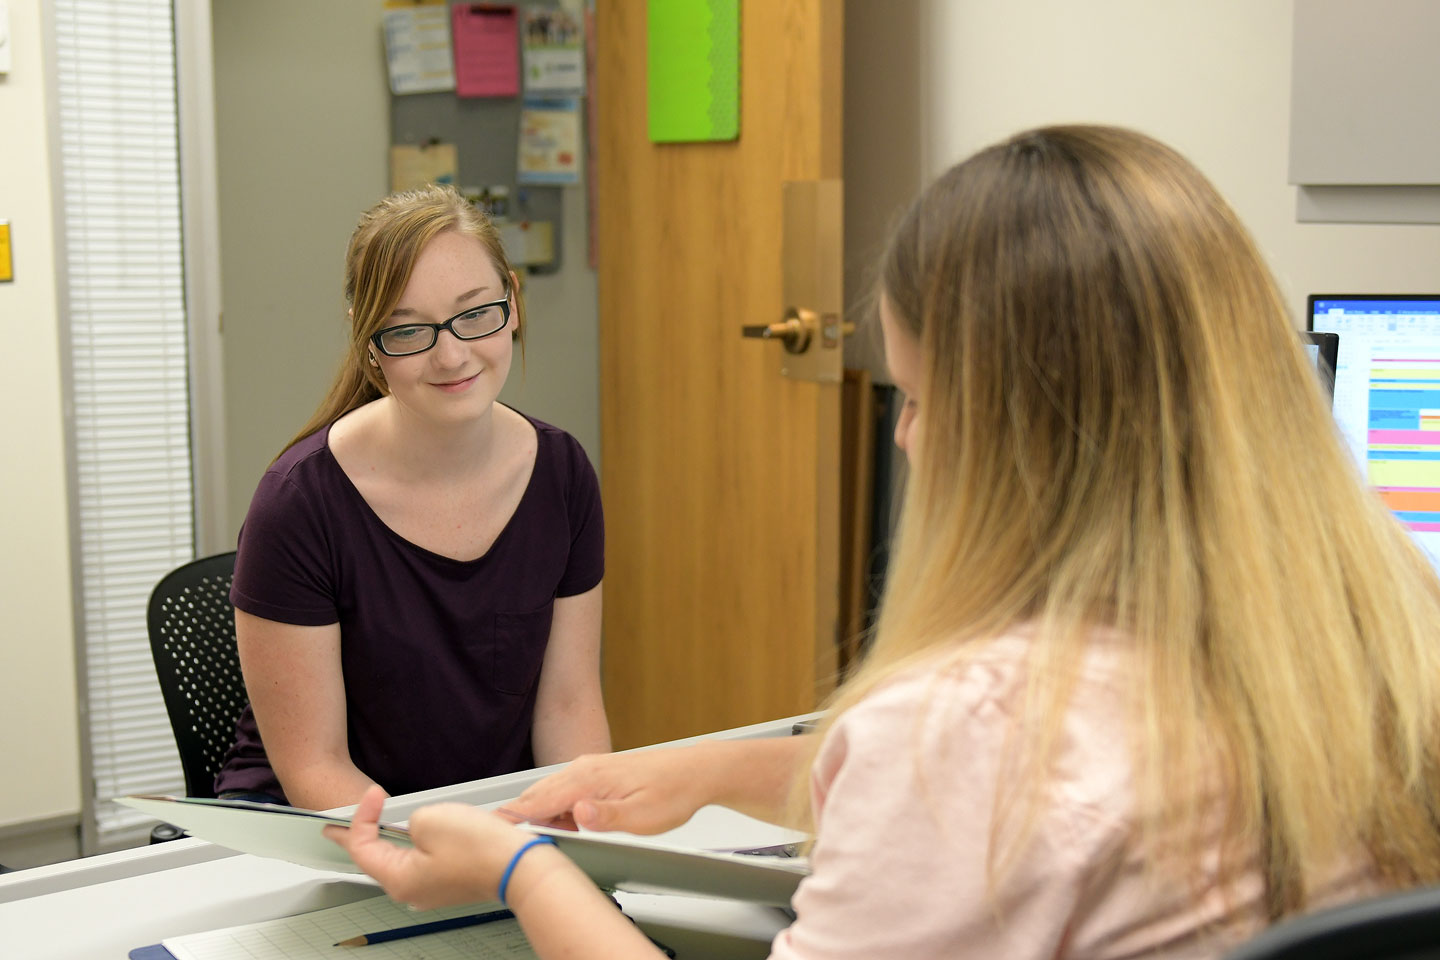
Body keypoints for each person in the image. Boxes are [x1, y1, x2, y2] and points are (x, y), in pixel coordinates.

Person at [326, 126, 1440, 957]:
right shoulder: (1382, 638)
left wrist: (524, 873)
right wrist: (712, 771)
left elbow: (983, 787)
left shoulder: (969, 730)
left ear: (1021, 432)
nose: (902, 437)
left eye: (913, 396)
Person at [215, 184, 610, 810]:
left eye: (475, 313)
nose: (451, 356)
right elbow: (316, 769)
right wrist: (470, 852)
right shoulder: (298, 505)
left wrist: (585, 825)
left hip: (490, 823)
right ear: (368, 341)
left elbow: (569, 706)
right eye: (408, 330)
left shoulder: (561, 473)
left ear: (512, 300)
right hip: (322, 826)